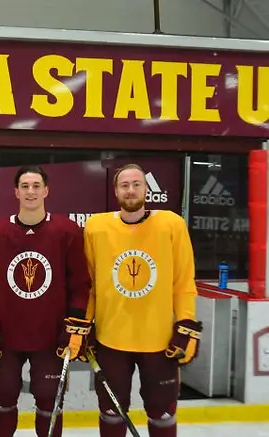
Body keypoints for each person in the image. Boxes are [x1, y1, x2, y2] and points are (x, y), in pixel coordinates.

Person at [84, 163, 203, 437]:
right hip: (111, 338)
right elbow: (90, 282)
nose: (131, 190)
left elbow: (183, 280)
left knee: (162, 414)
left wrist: (185, 321)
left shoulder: (171, 224)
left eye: (137, 184)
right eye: (124, 185)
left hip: (159, 342)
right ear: (115, 191)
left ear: (146, 188)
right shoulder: (96, 228)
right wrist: (86, 321)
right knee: (111, 412)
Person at [0, 165, 92, 437]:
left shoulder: (67, 231)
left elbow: (79, 282)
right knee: (2, 400)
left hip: (51, 338)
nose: (30, 191)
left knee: (50, 403)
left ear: (46, 191)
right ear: (16, 191)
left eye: (36, 186)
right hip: (6, 336)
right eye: (25, 186)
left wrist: (74, 322)